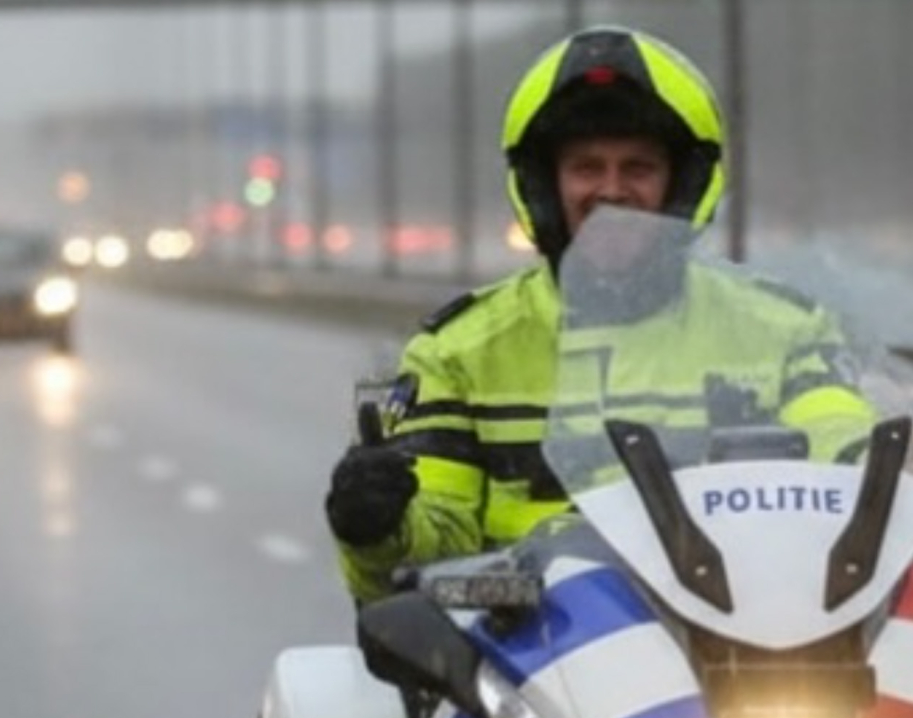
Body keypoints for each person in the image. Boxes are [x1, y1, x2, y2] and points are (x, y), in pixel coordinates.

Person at [322, 24, 875, 603]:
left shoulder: (783, 331)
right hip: (530, 661)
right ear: (544, 186)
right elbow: (430, 552)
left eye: (638, 168)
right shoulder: (458, 353)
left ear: (681, 185)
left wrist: (891, 472)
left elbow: (844, 447)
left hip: (748, 644)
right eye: (586, 167)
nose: (611, 189)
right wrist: (379, 526)